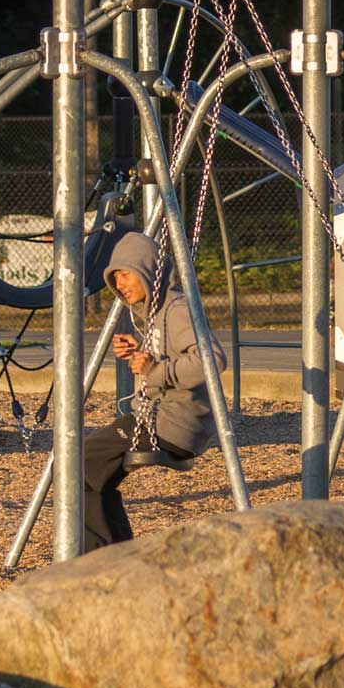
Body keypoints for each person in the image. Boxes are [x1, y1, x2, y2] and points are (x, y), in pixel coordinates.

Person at [83, 231, 224, 551]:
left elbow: (212, 360)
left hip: (174, 422)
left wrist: (156, 370)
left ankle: (100, 554)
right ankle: (116, 551)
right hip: (163, 416)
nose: (120, 283)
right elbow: (170, 355)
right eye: (115, 277)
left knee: (79, 464)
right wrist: (140, 352)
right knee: (94, 475)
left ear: (148, 270)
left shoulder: (175, 308)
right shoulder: (152, 313)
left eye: (126, 273)